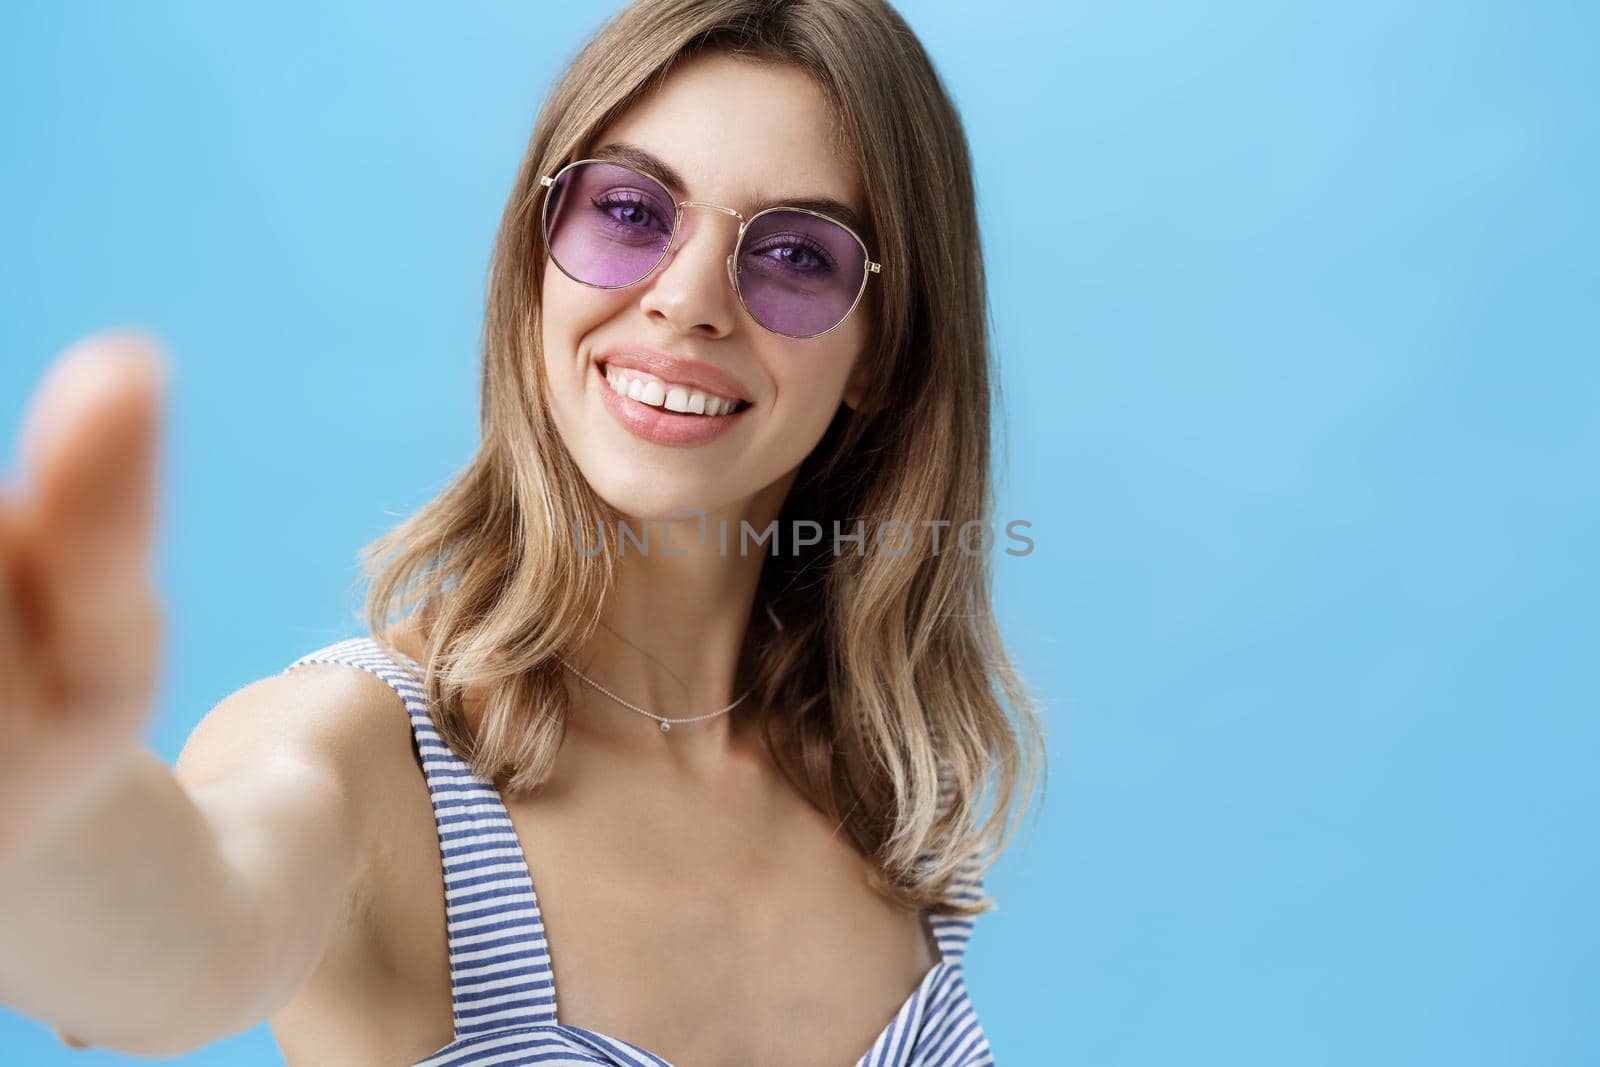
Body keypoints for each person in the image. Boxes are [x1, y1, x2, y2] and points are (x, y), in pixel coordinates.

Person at [0, 0, 1045, 1063]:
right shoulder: (366, 754)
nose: (686, 301)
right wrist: (50, 811)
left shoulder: (880, 788)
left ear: (881, 350)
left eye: (794, 255)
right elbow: (189, 939)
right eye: (632, 212)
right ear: (536, 253)